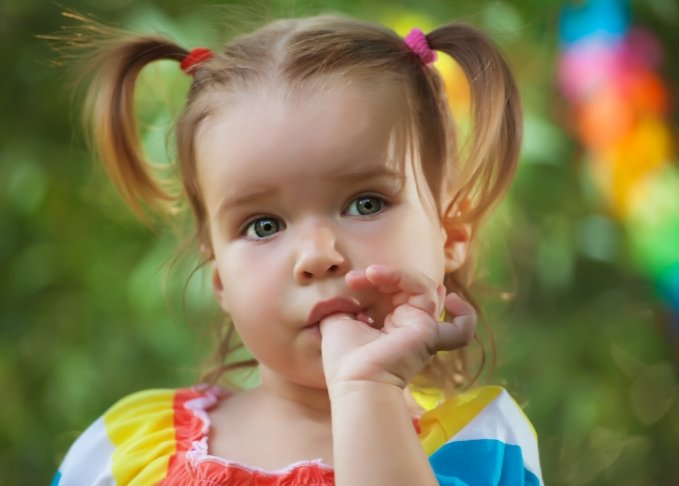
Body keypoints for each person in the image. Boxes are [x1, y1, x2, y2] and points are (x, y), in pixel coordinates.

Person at [52, 11, 542, 485]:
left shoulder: (481, 444)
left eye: (366, 203)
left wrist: (366, 390)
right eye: (263, 225)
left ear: (451, 234)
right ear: (219, 274)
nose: (317, 255)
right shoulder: (126, 450)